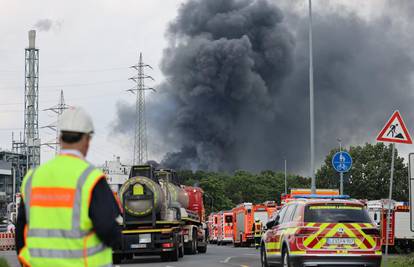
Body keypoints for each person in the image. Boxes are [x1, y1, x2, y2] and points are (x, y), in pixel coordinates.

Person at [15, 107, 121, 267]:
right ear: (87, 139)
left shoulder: (32, 178)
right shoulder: (91, 179)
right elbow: (108, 230)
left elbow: (20, 232)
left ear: (60, 138)